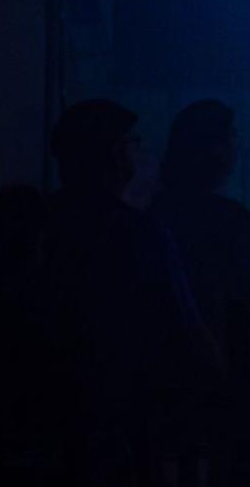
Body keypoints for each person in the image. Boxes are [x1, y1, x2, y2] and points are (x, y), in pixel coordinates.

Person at [40, 98, 221, 414]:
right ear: (115, 153)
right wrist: (220, 377)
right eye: (133, 142)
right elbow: (182, 317)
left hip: (48, 392)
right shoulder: (139, 231)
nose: (139, 152)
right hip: (125, 397)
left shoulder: (38, 220)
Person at [149, 99, 250, 353]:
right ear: (214, 149)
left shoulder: (152, 213)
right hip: (218, 356)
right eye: (231, 135)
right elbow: (245, 300)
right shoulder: (232, 221)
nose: (237, 143)